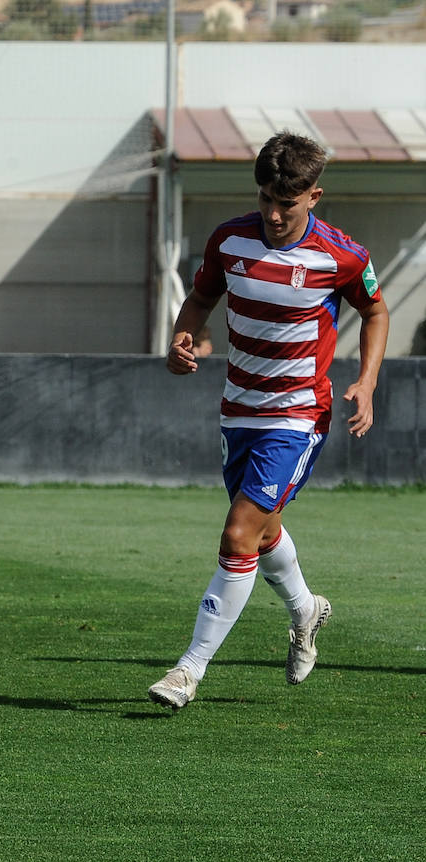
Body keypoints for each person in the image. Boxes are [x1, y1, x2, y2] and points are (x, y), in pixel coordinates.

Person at [148, 131, 389, 710]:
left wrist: (367, 380)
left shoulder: (342, 255)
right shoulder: (230, 240)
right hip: (239, 410)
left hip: (300, 414)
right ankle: (307, 610)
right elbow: (201, 300)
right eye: (266, 200)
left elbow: (375, 310)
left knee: (237, 534)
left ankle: (188, 670)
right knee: (261, 530)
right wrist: (181, 340)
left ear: (314, 196)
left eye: (288, 202)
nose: (275, 214)